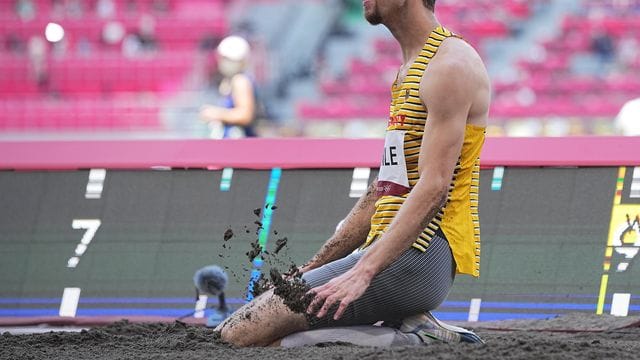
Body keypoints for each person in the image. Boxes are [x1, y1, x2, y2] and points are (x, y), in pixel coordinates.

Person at [216, 0, 490, 347]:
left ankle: (418, 342)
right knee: (250, 326)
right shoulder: (412, 68)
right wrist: (307, 271)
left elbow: (433, 188)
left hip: (416, 258)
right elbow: (384, 192)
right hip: (387, 254)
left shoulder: (450, 65)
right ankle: (406, 330)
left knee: (240, 335)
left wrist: (362, 271)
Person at [199, 36, 257, 139]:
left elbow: (245, 115)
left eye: (231, 60)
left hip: (242, 143)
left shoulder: (240, 80)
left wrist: (216, 113)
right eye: (225, 59)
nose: (227, 63)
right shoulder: (229, 81)